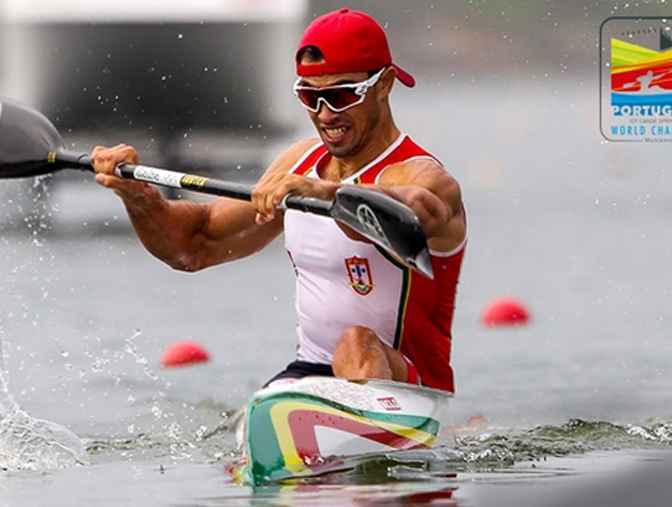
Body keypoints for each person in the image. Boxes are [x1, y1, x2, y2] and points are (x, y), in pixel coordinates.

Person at [91, 8, 467, 393]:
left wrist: (328, 192)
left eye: (339, 96)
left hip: (411, 389)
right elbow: (194, 245)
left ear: (384, 84)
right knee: (249, 432)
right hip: (308, 375)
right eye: (309, 95)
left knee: (356, 342)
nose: (324, 114)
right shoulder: (299, 164)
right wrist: (137, 196)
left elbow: (419, 211)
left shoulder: (422, 175)